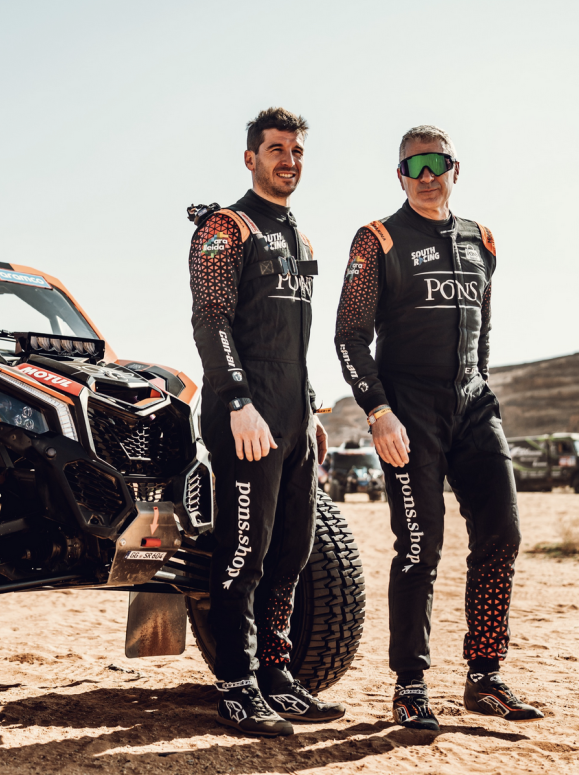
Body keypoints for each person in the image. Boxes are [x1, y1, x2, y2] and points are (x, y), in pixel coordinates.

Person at [333, 125, 544, 729]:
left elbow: (483, 328)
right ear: (400, 176)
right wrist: (379, 412)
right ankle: (411, 686)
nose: (426, 176)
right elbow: (349, 335)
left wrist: (481, 385)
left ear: (456, 168)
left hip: (473, 407)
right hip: (408, 412)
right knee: (420, 547)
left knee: (502, 534)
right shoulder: (378, 239)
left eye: (436, 163)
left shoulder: (483, 240)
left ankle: (485, 677)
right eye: (413, 165)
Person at [188, 107, 344, 737]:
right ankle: (235, 685)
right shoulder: (226, 228)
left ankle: (276, 675)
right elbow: (211, 321)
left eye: (297, 150)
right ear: (250, 157)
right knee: (244, 553)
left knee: (292, 552)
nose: (289, 160)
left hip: (293, 413)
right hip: (246, 413)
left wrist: (309, 409)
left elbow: (294, 340)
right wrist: (236, 402)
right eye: (277, 149)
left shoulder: (300, 238)